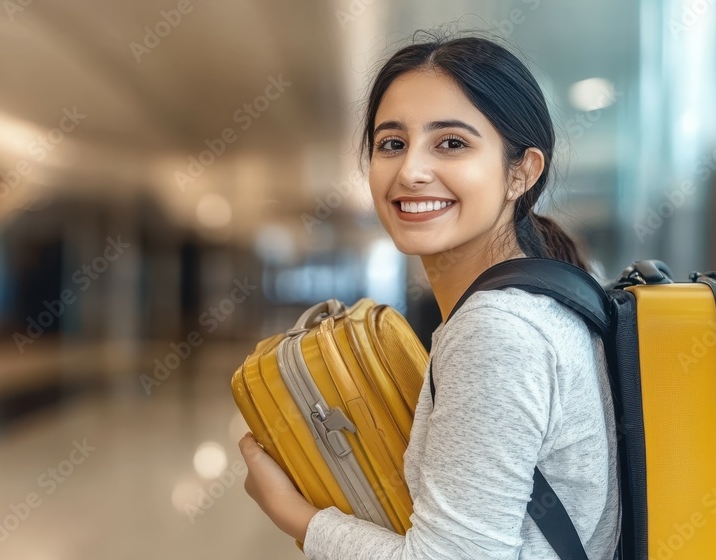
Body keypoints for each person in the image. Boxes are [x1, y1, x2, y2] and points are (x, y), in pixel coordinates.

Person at [238, 33, 621, 559]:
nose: (411, 171)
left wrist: (296, 516)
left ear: (521, 173)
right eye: (392, 143)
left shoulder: (497, 329)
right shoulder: (542, 301)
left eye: (452, 143)